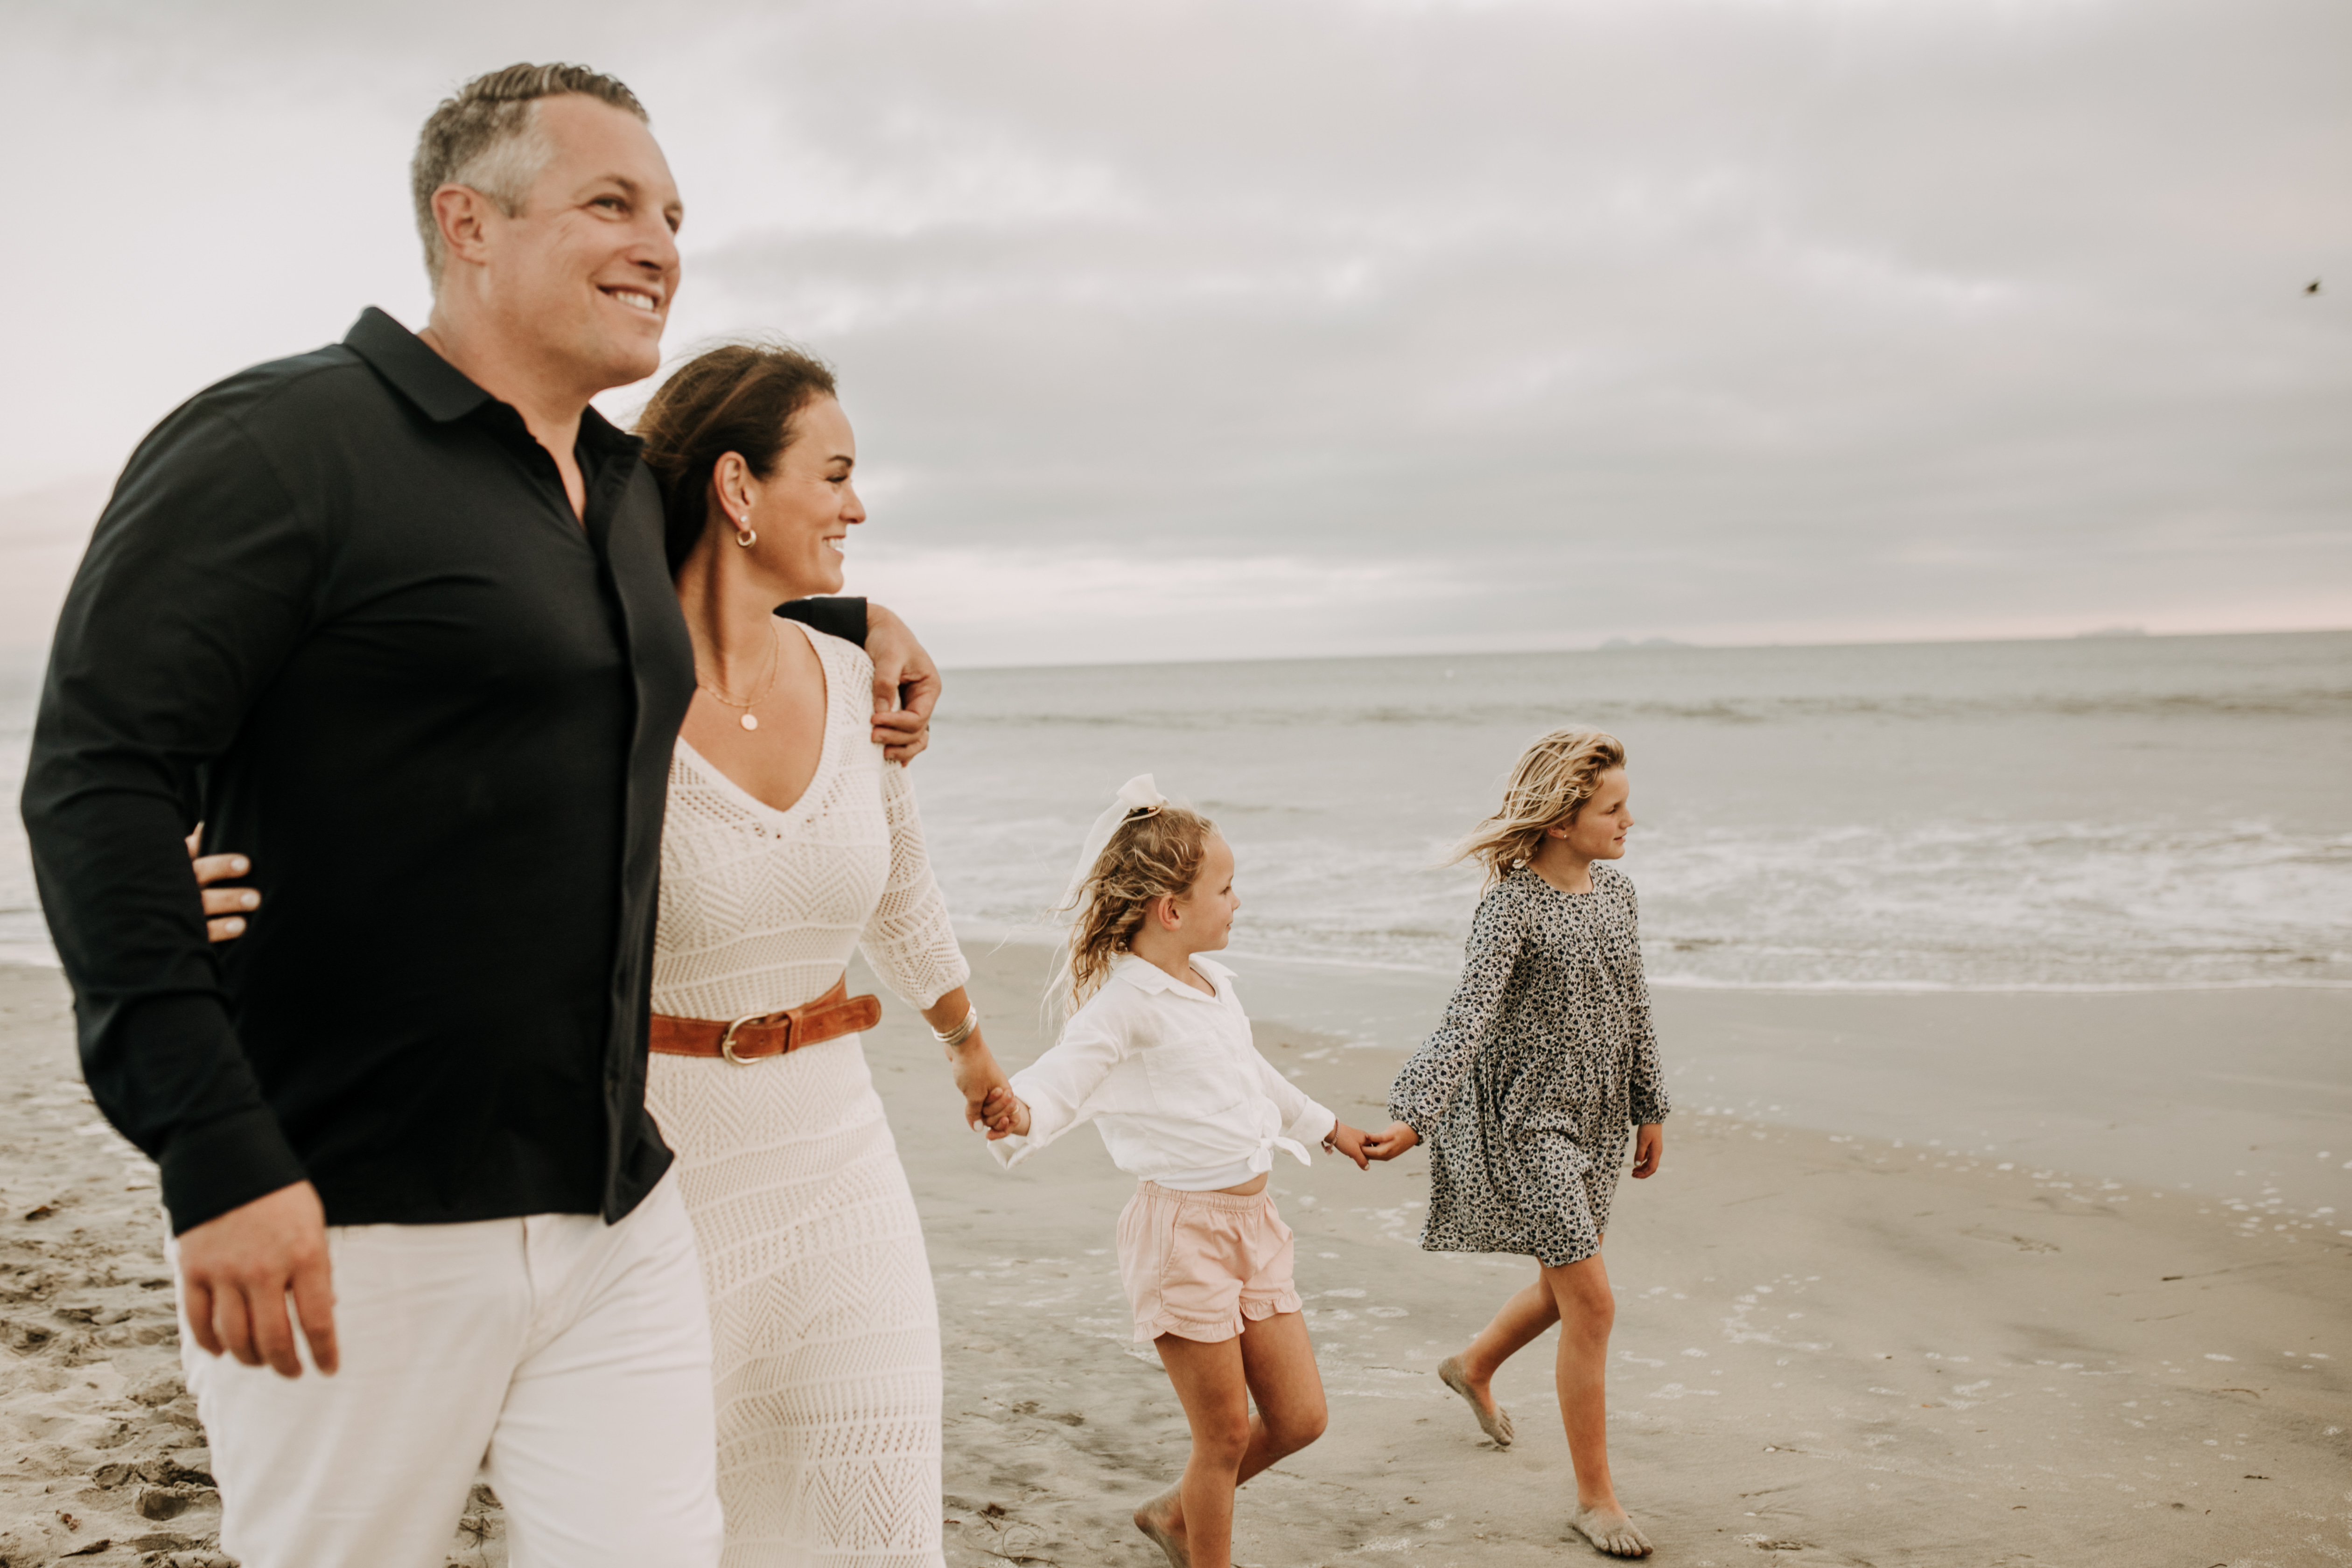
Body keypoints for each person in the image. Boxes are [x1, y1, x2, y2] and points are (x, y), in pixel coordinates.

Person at [20, 63, 940, 1568]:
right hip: (349, 1211)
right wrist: (214, 1152)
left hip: (614, 1201)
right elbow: (97, 776)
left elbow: (745, 562)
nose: (661, 244)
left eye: (674, 215)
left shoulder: (624, 487)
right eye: (611, 204)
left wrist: (871, 613)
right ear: (469, 223)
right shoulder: (280, 444)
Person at [632, 341, 1011, 1565]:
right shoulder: (603, 692)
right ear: (738, 491)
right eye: (835, 474)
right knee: (693, 1523)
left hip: (839, 1154)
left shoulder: (854, 679)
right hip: (659, 1174)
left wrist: (968, 1045)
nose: (858, 506)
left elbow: (899, 882)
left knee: (879, 1510)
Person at [979, 779, 1374, 1568]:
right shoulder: (1125, 1004)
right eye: (1225, 890)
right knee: (1223, 1435)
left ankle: (1176, 1512)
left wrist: (1329, 1126)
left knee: (1299, 1419)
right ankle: (1206, 1542)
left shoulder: (1211, 986)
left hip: (1254, 1228)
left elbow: (1250, 1073)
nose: (1238, 902)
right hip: (1182, 1233)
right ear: (1171, 909)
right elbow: (1066, 1074)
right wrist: (1018, 1110)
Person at [1359, 729, 1670, 1559]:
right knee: (1594, 1301)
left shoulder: (1618, 895)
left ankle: (1472, 1366)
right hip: (1528, 1123)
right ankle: (1595, 1500)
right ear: (1564, 820)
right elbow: (1469, 1016)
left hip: (1599, 1121)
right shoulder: (1510, 906)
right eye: (1614, 808)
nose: (1630, 820)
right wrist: (1417, 1114)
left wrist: (1650, 1105)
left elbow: (1635, 1003)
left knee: (1568, 1281)